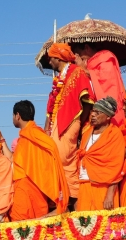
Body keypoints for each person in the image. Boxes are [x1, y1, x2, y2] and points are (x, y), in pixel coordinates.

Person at [44, 43, 95, 210]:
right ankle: (67, 205)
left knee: (63, 159)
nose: (49, 62)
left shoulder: (77, 72)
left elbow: (87, 101)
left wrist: (80, 123)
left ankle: (69, 205)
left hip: (70, 123)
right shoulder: (59, 78)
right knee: (60, 162)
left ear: (57, 58)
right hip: (58, 124)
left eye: (50, 58)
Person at [10, 100, 69, 221]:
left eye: (13, 116)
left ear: (17, 116)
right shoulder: (36, 136)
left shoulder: (32, 136)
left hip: (28, 189)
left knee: (22, 231)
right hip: (35, 190)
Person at [77, 97, 125, 211]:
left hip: (103, 188)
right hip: (84, 186)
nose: (93, 115)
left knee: (104, 226)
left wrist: (110, 194)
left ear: (108, 117)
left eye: (98, 113)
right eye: (92, 111)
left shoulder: (115, 135)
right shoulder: (86, 133)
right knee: (84, 226)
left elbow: (116, 168)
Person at [71, 42, 126, 126]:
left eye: (79, 54)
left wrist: (82, 69)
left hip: (110, 110)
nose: (79, 59)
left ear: (86, 48)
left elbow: (105, 80)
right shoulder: (89, 63)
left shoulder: (104, 56)